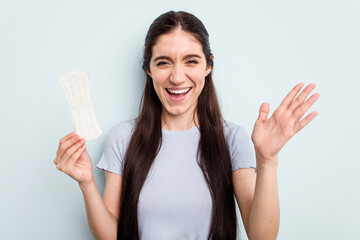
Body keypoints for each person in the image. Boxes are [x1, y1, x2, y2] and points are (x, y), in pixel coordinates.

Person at [53, 11, 320, 240]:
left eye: (191, 60)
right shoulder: (123, 138)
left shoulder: (233, 139)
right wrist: (86, 183)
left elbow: (262, 236)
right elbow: (111, 236)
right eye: (163, 62)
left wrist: (267, 159)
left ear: (208, 66)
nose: (177, 77)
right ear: (148, 69)